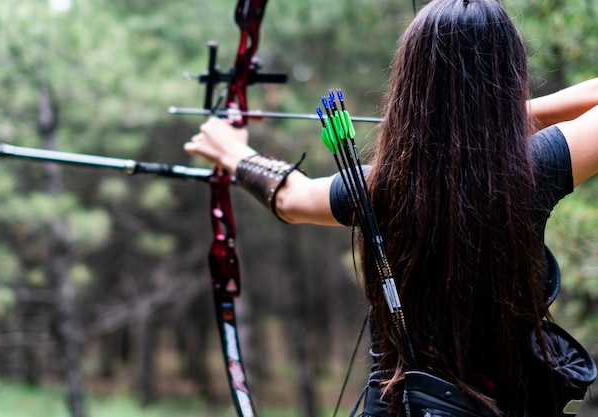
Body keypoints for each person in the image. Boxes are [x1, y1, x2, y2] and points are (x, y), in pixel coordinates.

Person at [185, 0, 598, 415]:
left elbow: (291, 197)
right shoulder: (535, 167)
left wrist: (235, 153)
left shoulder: (378, 184)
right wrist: (493, 118)